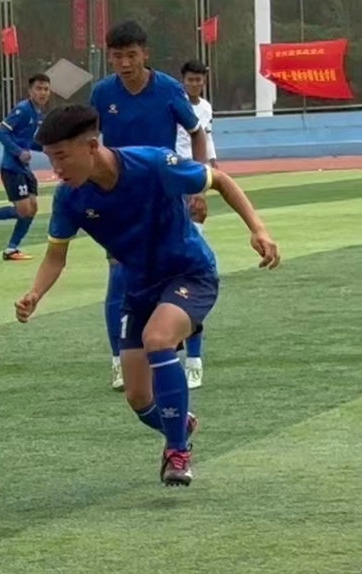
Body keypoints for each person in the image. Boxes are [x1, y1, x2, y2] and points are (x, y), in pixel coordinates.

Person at [15, 105, 280, 486]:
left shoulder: (154, 164)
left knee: (158, 338)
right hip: (139, 287)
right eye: (50, 159)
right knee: (139, 398)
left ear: (91, 146)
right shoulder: (70, 198)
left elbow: (220, 180)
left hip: (190, 273)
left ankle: (178, 452)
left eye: (61, 156)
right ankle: (180, 422)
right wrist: (35, 293)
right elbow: (56, 256)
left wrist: (259, 229)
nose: (56, 169)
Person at [90, 20, 208, 390]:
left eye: (131, 55)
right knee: (119, 277)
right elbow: (91, 142)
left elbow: (196, 133)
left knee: (182, 274)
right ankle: (118, 361)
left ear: (145, 53)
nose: (124, 63)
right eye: (117, 56)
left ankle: (193, 359)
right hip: (120, 200)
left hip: (165, 195)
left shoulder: (169, 89)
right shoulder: (102, 93)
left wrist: (198, 187)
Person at [0, 73, 51, 260]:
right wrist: (18, 152)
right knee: (23, 210)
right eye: (38, 88)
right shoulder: (23, 109)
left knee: (32, 207)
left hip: (24, 168)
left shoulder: (36, 112)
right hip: (12, 168)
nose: (43, 93)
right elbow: (1, 132)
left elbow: (26, 140)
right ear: (30, 91)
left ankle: (12, 249)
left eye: (46, 89)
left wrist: (47, 148)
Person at [176, 58, 219, 389]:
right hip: (169, 179)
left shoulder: (205, 108)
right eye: (190, 80)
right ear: (183, 80)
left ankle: (194, 359)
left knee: (190, 271)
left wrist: (211, 172)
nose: (195, 84)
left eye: (199, 80)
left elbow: (207, 141)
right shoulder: (172, 104)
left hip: (192, 183)